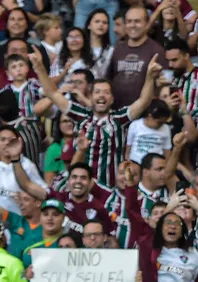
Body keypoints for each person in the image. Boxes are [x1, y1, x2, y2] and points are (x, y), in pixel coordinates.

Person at [28, 44, 162, 187]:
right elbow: (53, 93)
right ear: (90, 97)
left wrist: (149, 77)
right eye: (97, 92)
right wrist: (40, 68)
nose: (101, 96)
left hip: (111, 188)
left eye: (106, 92)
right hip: (83, 187)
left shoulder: (119, 118)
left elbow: (144, 101)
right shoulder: (80, 114)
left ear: (112, 99)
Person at [109, 6, 166, 109]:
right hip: (117, 112)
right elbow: (109, 78)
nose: (132, 25)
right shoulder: (117, 49)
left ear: (147, 24)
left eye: (137, 21)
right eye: (129, 21)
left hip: (145, 113)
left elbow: (164, 85)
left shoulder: (157, 50)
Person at [126, 99, 172, 165]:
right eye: (159, 123)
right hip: (135, 162)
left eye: (163, 123)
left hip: (155, 165)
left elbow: (167, 151)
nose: (161, 125)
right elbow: (128, 148)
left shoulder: (166, 128)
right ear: (150, 116)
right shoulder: (135, 125)